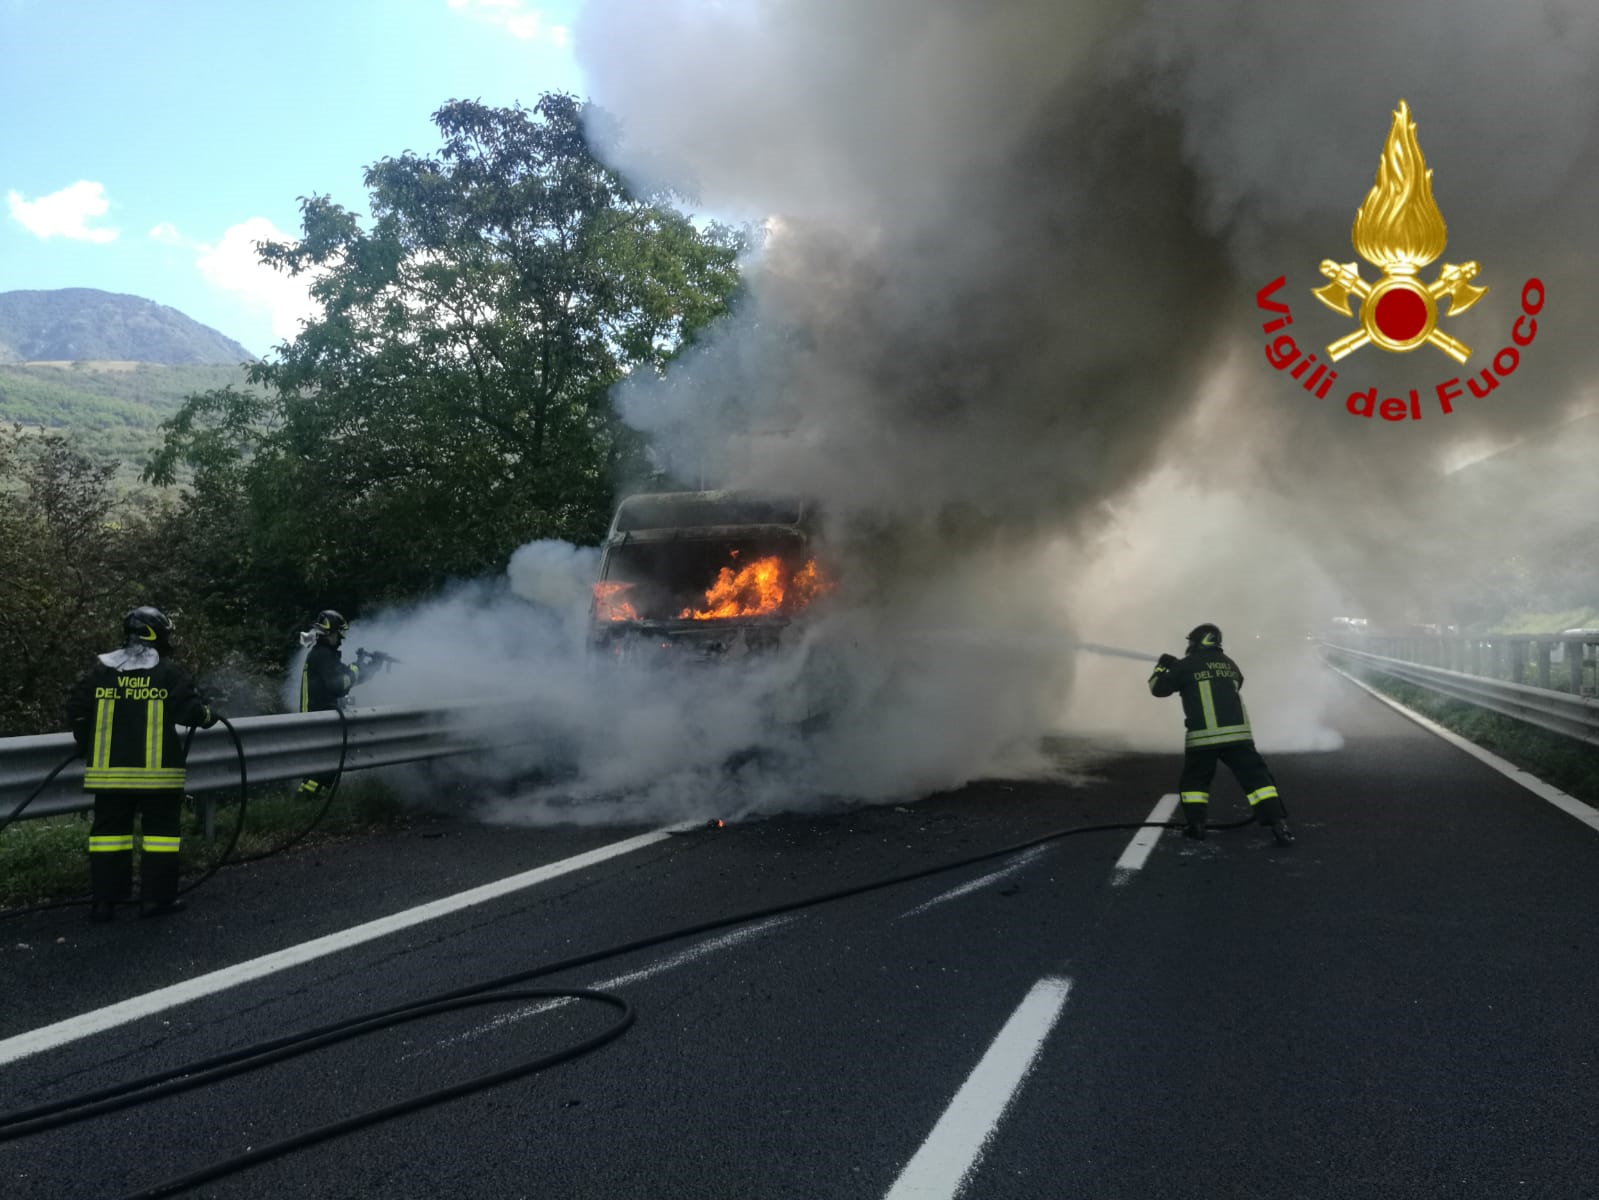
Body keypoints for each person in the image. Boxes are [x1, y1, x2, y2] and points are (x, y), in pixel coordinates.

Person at [65, 607, 218, 920]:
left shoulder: (102, 671)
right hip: (157, 777)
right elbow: (191, 712)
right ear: (156, 634)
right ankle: (155, 901)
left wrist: (86, 742)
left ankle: (104, 904)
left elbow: (76, 709)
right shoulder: (167, 673)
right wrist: (208, 715)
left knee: (108, 838)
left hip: (108, 776)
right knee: (161, 837)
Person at [1147, 623, 1295, 846]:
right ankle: (1279, 825)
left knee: (1196, 781)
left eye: (1191, 641)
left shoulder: (1186, 666)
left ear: (1198, 642)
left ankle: (1196, 827)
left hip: (1203, 738)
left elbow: (1158, 689)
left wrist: (1162, 667)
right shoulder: (1229, 664)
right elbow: (1236, 683)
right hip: (1238, 737)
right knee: (1258, 780)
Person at [295, 609, 371, 803]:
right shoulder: (323, 655)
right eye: (338, 634)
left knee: (323, 765)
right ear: (329, 633)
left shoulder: (325, 654)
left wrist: (370, 668)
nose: (341, 639)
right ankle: (308, 800)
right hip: (317, 718)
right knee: (325, 765)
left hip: (318, 717)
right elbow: (339, 685)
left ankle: (308, 801)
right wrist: (355, 670)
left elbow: (346, 677)